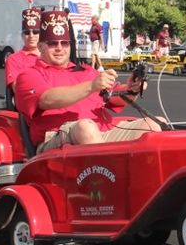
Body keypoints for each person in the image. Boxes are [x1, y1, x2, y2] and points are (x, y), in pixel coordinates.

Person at [14, 9, 160, 152]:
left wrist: (132, 88)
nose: (59, 48)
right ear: (40, 47)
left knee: (154, 124)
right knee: (86, 128)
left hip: (102, 133)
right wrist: (91, 86)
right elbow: (46, 99)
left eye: (64, 43)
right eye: (53, 43)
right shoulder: (29, 75)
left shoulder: (87, 71)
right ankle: (108, 174)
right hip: (57, 138)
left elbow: (114, 98)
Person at [5, 7, 42, 92]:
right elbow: (16, 89)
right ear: (22, 36)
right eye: (27, 32)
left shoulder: (49, 57)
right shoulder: (13, 59)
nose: (31, 36)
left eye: (36, 32)